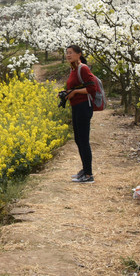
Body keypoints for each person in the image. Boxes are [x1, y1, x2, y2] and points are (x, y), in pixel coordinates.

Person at [63, 44, 97, 184]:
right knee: (78, 139)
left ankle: (89, 175)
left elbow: (91, 88)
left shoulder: (83, 68)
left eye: (71, 53)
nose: (68, 55)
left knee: (83, 140)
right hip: (76, 106)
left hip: (83, 107)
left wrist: (75, 92)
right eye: (67, 53)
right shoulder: (74, 69)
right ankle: (84, 170)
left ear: (79, 54)